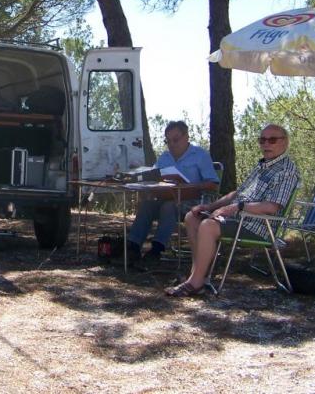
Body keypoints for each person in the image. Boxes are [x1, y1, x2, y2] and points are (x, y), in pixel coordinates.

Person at [165, 123, 300, 296]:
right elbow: (237, 193)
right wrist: (210, 207)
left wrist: (237, 207)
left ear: (285, 142)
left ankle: (196, 283)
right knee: (193, 217)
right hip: (238, 218)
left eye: (272, 140)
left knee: (208, 226)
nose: (266, 144)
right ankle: (197, 274)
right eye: (262, 140)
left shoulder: (286, 171)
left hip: (256, 225)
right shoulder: (263, 166)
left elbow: (271, 207)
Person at [127, 121, 220, 265]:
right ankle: (133, 247)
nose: (171, 144)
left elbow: (213, 184)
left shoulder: (200, 155)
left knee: (169, 207)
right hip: (167, 196)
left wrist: (188, 186)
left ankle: (157, 250)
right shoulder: (165, 157)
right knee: (147, 205)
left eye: (175, 140)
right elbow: (154, 175)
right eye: (168, 141)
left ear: (186, 137)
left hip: (194, 201)